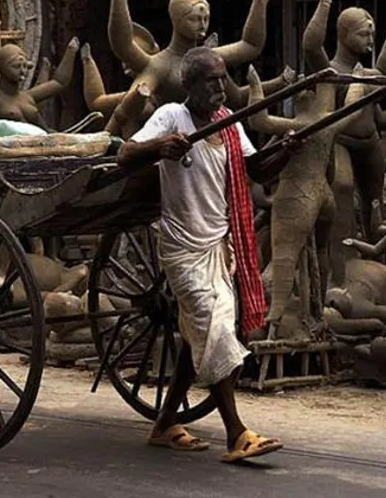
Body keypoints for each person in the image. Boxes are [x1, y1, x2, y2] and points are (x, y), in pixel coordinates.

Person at [117, 47, 298, 463]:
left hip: (219, 246)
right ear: (189, 85)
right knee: (214, 330)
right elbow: (125, 154)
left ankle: (165, 423)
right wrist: (161, 146)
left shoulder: (228, 123)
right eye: (211, 80)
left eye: (223, 79)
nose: (220, 87)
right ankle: (237, 433)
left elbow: (257, 171)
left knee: (196, 334)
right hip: (182, 248)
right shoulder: (171, 117)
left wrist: (287, 150)